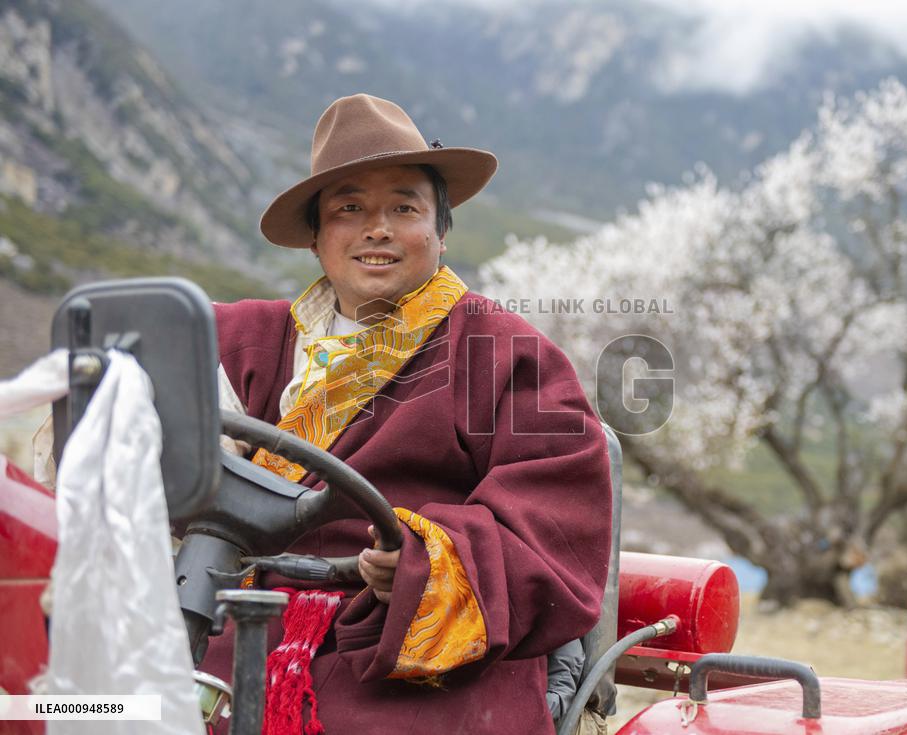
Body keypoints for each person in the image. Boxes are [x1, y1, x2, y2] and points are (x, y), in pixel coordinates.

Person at [201, 94, 612, 734]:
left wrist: (426, 563)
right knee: (81, 710)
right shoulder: (239, 342)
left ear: (440, 231)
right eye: (349, 209)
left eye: (404, 207)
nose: (378, 228)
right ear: (315, 236)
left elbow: (557, 531)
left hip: (413, 666)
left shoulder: (507, 353)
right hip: (233, 635)